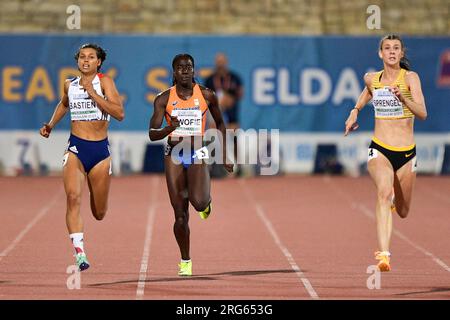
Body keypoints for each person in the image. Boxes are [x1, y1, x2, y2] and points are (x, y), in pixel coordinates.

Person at [344, 34, 427, 272]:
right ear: (380, 53)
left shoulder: (410, 78)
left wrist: (403, 97)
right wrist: (355, 111)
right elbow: (367, 92)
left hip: (406, 154)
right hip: (379, 148)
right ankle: (384, 255)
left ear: (401, 54)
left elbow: (422, 113)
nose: (391, 52)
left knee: (403, 211)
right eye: (387, 48)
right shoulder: (372, 78)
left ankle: (394, 204)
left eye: (396, 48)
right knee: (383, 192)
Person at [39, 43, 124, 271]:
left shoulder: (105, 82)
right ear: (78, 61)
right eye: (82, 57)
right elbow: (64, 104)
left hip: (100, 153)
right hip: (75, 148)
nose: (86, 60)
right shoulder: (70, 84)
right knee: (73, 198)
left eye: (91, 57)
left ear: (99, 62)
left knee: (99, 213)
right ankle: (80, 254)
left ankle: (97, 198)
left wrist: (93, 93)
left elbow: (119, 113)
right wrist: (50, 124)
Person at [148, 53, 233, 276]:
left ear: (194, 70)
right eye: (180, 67)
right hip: (174, 153)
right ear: (173, 72)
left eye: (189, 67)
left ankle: (205, 204)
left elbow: (221, 124)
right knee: (179, 215)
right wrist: (169, 128)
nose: (186, 70)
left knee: (198, 201)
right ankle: (185, 260)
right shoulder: (163, 99)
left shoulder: (207, 95)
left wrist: (225, 155)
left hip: (197, 151)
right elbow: (152, 133)